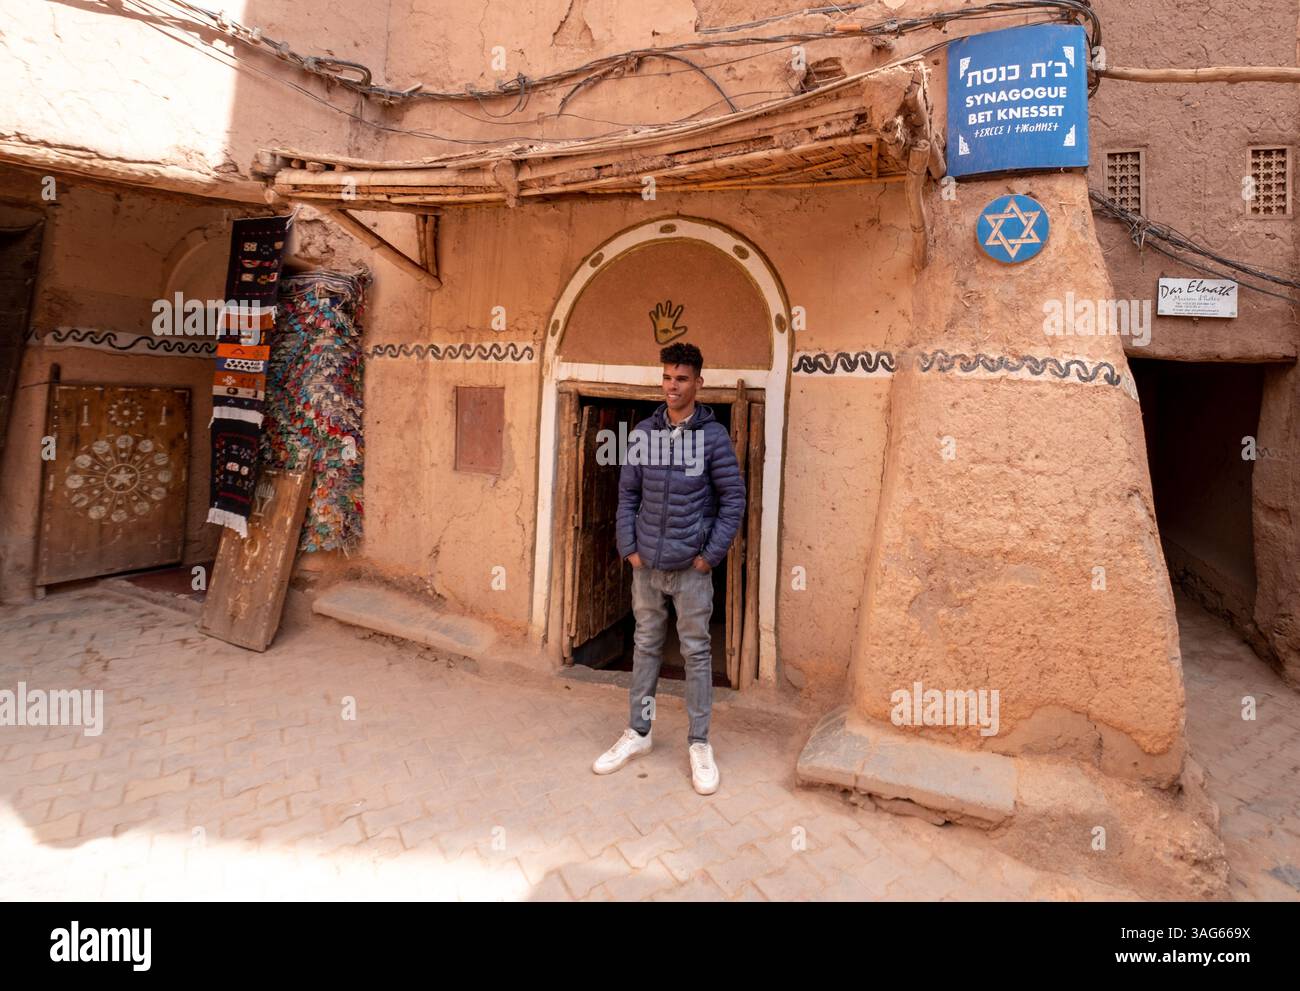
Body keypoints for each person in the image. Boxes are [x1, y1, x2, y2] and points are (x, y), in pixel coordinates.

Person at [591, 342, 746, 795]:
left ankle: (699, 743)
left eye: (681, 378)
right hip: (647, 567)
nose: (672, 386)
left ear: (699, 382)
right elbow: (628, 495)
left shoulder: (713, 439)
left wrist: (708, 556)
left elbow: (732, 501)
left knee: (696, 653)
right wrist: (630, 548)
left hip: (691, 569)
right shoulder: (644, 433)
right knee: (646, 646)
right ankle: (639, 732)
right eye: (666, 377)